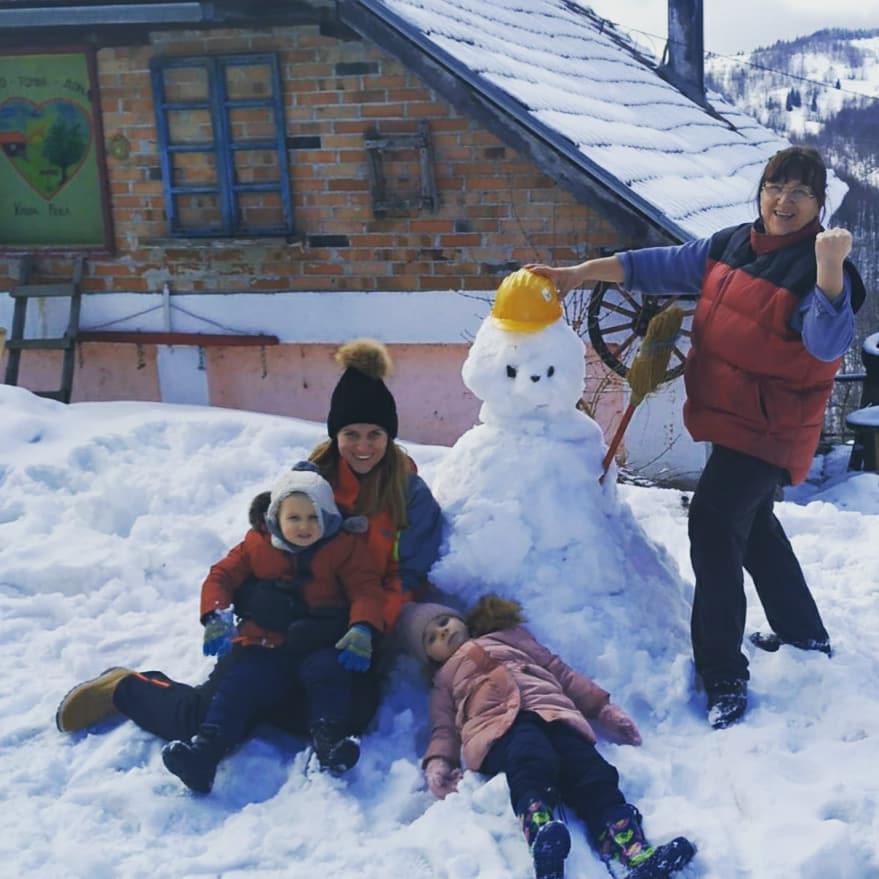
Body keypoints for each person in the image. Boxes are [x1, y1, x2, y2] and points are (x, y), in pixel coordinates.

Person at [527, 146, 867, 730]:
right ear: (761, 192)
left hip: (770, 427)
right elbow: (656, 266)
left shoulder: (818, 267)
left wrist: (830, 268)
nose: (784, 201)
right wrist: (579, 274)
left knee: (712, 524)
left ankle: (723, 676)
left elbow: (826, 344)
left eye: (801, 193)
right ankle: (804, 635)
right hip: (728, 417)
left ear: (819, 205)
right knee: (752, 527)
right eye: (775, 187)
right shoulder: (733, 245)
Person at [55, 339, 443, 756]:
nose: (363, 446)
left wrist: (360, 625)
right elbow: (260, 548)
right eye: (351, 434)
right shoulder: (309, 481)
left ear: (390, 435)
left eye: (374, 434)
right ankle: (125, 688)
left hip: (345, 639)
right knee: (209, 717)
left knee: (340, 718)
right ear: (335, 434)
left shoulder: (410, 495)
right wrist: (254, 598)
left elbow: (407, 579)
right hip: (275, 634)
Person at [399, 596, 696, 879]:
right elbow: (444, 729)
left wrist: (603, 709)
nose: (443, 632)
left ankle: (628, 844)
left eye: (444, 622)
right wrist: (439, 761)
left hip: (553, 712)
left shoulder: (509, 637)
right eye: (432, 638)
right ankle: (540, 829)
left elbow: (561, 672)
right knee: (529, 756)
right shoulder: (444, 682)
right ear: (430, 657)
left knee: (590, 768)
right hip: (497, 729)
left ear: (461, 619)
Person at [157, 461, 386, 792]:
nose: (304, 526)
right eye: (294, 518)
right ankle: (205, 753)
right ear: (276, 516)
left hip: (320, 640)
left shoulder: (344, 547)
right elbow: (221, 575)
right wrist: (215, 615)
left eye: (314, 517)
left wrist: (362, 627)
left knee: (328, 674)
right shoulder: (257, 544)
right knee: (239, 685)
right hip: (266, 642)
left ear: (328, 517)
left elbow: (366, 590)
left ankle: (330, 742)